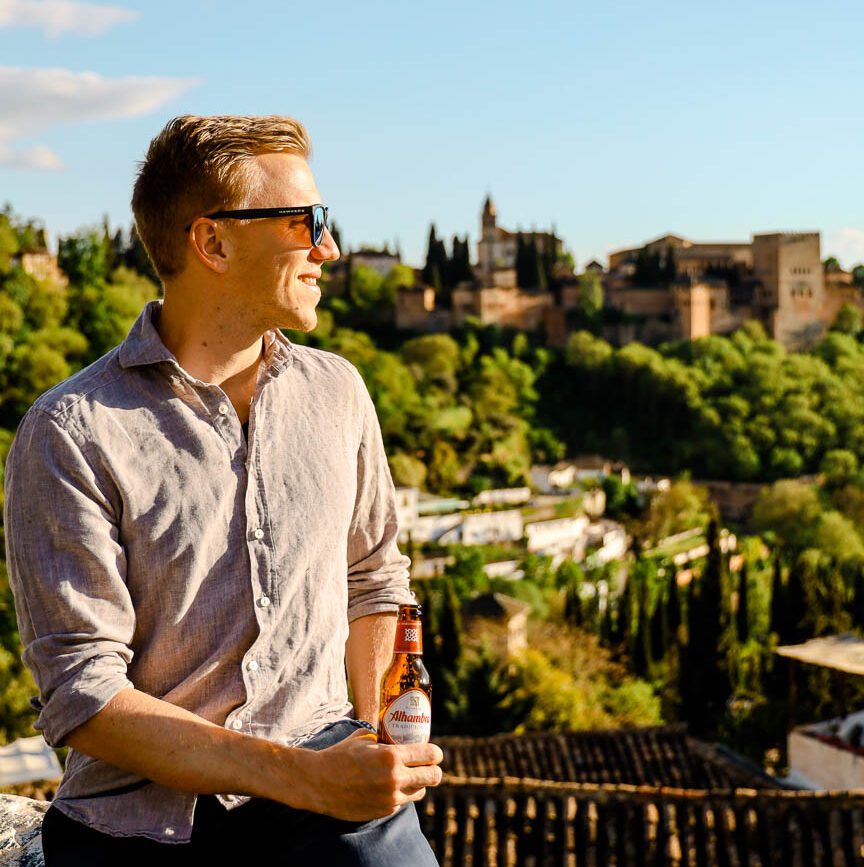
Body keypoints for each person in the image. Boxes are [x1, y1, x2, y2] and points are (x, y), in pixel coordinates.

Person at [3, 115, 443, 866]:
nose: (327, 247)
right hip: (145, 822)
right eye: (308, 222)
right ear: (213, 242)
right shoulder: (71, 431)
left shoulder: (337, 391)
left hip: (329, 773)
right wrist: (303, 778)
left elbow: (374, 578)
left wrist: (368, 741)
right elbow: (84, 693)